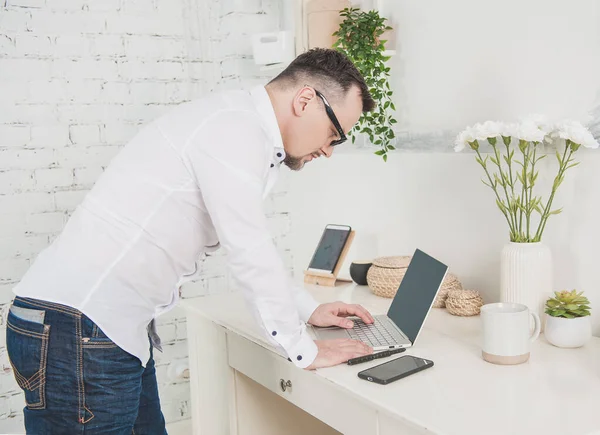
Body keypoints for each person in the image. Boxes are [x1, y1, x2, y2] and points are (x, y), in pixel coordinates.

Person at [6, 47, 376, 434]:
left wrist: (307, 309)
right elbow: (249, 250)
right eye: (334, 134)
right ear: (305, 100)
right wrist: (305, 349)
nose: (329, 151)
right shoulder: (235, 128)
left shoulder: (237, 125)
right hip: (80, 331)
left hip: (101, 331)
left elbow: (252, 244)